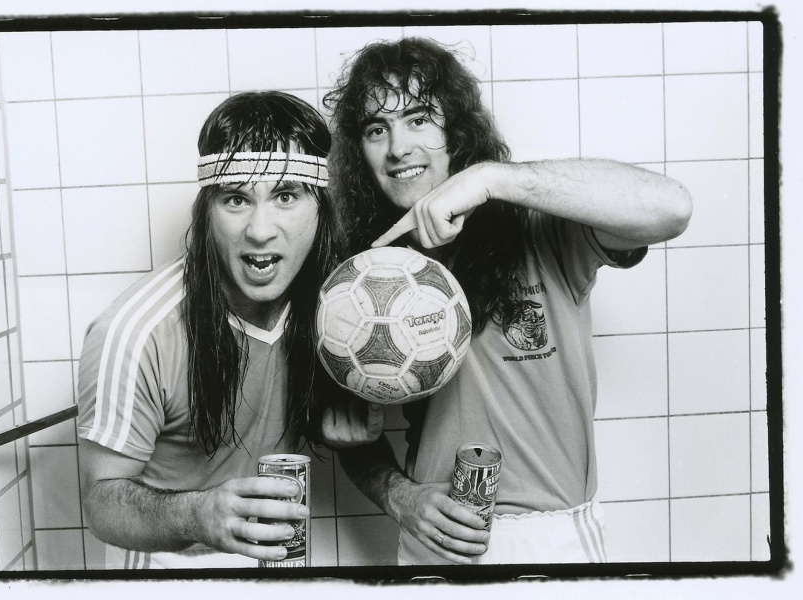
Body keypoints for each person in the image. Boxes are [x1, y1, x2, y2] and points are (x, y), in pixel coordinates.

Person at [321, 37, 692, 565]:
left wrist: (492, 178)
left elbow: (672, 208)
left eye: (419, 119)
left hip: (551, 539)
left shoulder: (537, 227)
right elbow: (347, 430)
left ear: (457, 128)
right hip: (437, 541)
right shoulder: (359, 276)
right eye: (376, 129)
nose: (398, 147)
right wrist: (398, 495)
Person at [76, 91, 377, 569]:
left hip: (276, 561)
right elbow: (101, 505)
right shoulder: (136, 333)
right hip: (167, 569)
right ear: (207, 211)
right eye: (236, 199)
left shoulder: (336, 307)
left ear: (320, 207)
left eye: (285, 196)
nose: (260, 230)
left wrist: (348, 424)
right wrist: (197, 515)